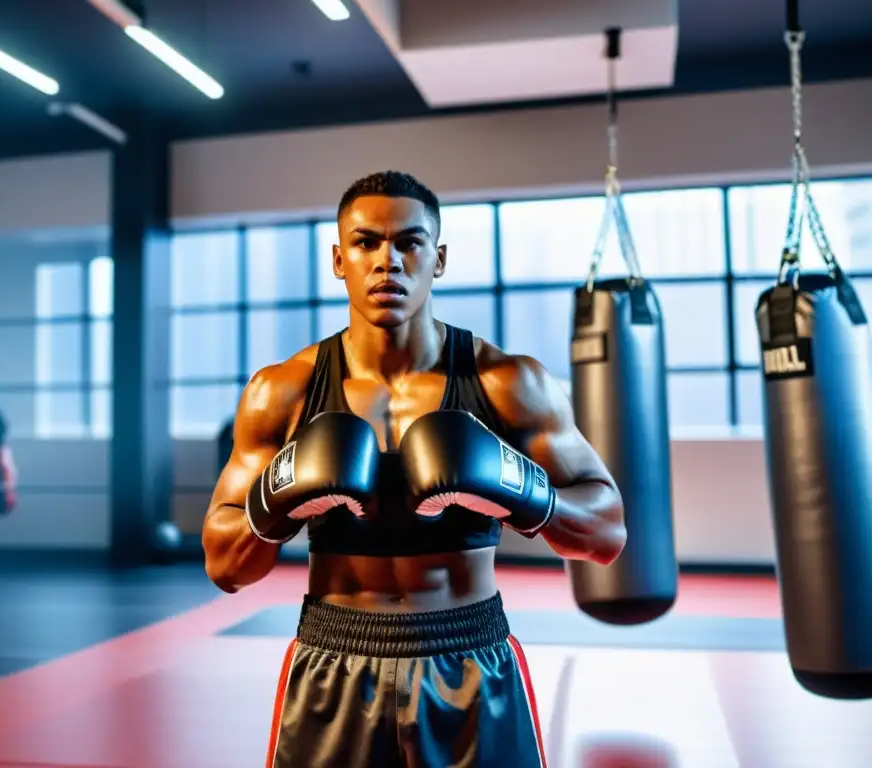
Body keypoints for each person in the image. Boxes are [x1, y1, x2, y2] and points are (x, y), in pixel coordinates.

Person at [202, 171, 626, 768]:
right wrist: (277, 498)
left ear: (439, 258)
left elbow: (607, 535)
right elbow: (224, 564)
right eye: (366, 242)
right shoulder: (283, 391)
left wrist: (521, 490)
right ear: (338, 259)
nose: (387, 262)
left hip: (470, 660)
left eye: (409, 242)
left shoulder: (508, 384)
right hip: (334, 660)